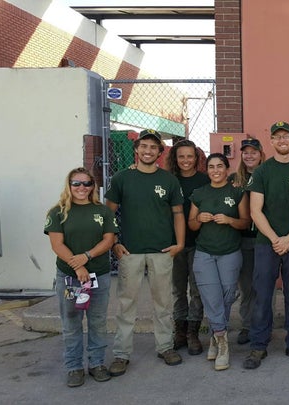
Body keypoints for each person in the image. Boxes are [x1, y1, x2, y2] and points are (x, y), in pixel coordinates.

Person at [105, 129, 185, 376]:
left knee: (163, 303)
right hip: (130, 252)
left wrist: (180, 244)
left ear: (160, 152)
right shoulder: (121, 178)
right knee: (126, 304)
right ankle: (121, 353)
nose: (148, 151)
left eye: (153, 147)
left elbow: (178, 214)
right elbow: (109, 213)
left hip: (162, 251)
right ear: (137, 149)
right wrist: (114, 242)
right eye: (144, 146)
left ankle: (165, 346)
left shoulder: (169, 180)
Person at [243, 121, 289, 369]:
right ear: (271, 141)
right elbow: (255, 211)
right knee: (263, 296)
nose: (282, 140)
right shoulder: (262, 172)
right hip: (267, 244)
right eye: (277, 137)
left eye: (287, 136)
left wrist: (288, 239)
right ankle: (258, 346)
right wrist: (276, 239)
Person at [45, 167, 118, 387]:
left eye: (87, 184)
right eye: (76, 183)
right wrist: (77, 267)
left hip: (99, 275)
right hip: (69, 276)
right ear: (69, 185)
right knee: (71, 323)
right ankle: (74, 367)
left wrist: (86, 257)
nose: (81, 188)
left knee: (97, 321)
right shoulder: (57, 212)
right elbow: (57, 244)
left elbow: (109, 240)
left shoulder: (103, 211)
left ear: (93, 186)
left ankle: (96, 364)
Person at [188, 153, 251, 371]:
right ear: (207, 170)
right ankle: (222, 341)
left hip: (230, 251)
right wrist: (198, 219)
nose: (216, 170)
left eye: (220, 166)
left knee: (227, 294)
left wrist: (230, 220)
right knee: (211, 295)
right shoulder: (200, 193)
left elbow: (245, 223)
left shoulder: (236, 192)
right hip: (205, 252)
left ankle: (215, 337)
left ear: (226, 168)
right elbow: (192, 225)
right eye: (211, 166)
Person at [167, 139, 209, 355]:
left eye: (189, 156)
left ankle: (193, 331)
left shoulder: (204, 180)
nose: (185, 160)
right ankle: (179, 331)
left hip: (199, 243)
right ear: (175, 158)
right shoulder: (168, 180)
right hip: (173, 245)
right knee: (177, 290)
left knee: (196, 289)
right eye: (181, 156)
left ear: (196, 158)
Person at [228, 137, 266, 345]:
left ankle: (263, 325)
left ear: (261, 154)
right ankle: (247, 326)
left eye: (254, 151)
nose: (249, 155)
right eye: (246, 152)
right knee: (247, 286)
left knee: (264, 285)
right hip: (242, 240)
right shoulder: (234, 179)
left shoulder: (269, 175)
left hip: (264, 239)